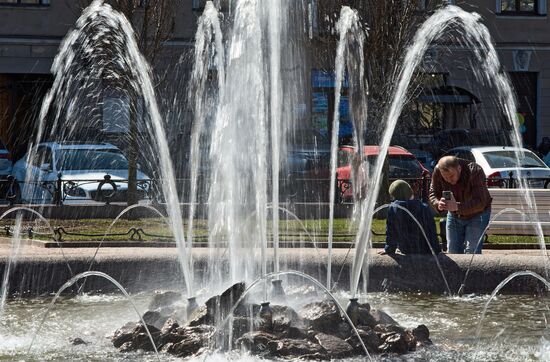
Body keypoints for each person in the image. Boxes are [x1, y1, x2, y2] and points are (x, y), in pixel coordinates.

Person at [429, 156, 491, 254]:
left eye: (452, 176)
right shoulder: (437, 171)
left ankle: (472, 270)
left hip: (478, 214)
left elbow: (480, 202)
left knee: (472, 252)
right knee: (453, 251)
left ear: (459, 168)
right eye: (445, 177)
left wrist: (458, 207)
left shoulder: (475, 171)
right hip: (454, 215)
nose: (449, 180)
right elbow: (433, 194)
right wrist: (438, 203)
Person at [380, 180, 441, 255]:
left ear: (393, 196)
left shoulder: (394, 208)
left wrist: (389, 249)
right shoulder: (424, 207)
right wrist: (436, 250)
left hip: (406, 249)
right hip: (425, 249)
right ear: (410, 192)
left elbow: (391, 232)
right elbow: (432, 231)